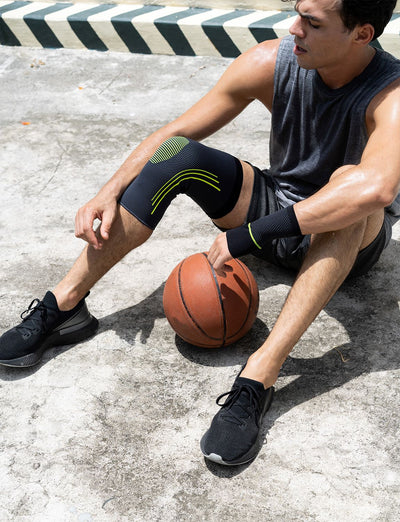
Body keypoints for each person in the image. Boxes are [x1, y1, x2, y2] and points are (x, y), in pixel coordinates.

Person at [1, 0, 400, 466]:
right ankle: (65, 307)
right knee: (179, 154)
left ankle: (258, 377)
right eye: (297, 14)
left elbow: (375, 189)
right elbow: (175, 133)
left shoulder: (390, 95)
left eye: (312, 24)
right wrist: (109, 190)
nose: (294, 29)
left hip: (346, 241)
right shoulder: (272, 62)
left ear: (361, 33)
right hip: (274, 205)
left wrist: (248, 237)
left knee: (347, 192)